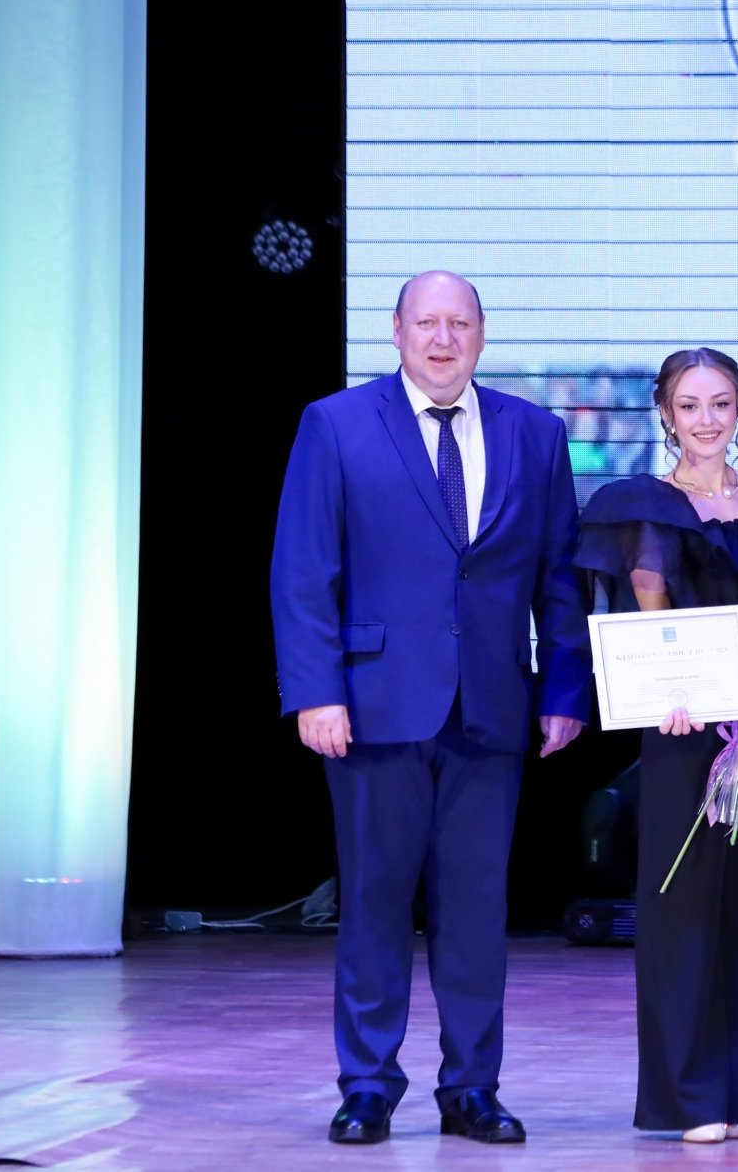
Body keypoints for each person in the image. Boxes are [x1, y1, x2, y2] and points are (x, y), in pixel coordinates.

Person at [271, 270, 592, 1146]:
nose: (443, 339)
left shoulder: (535, 432)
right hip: (373, 707)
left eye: (459, 323)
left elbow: (559, 577)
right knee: (375, 903)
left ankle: (472, 1088)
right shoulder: (336, 424)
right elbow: (303, 571)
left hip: (493, 707)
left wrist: (565, 688)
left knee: (478, 912)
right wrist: (316, 690)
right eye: (427, 322)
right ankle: (368, 1085)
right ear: (397, 330)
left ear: (482, 334)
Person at [575, 347, 738, 1144]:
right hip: (685, 725)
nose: (706, 420)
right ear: (666, 414)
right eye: (689, 405)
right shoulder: (647, 504)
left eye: (720, 403)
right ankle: (690, 1094)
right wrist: (671, 695)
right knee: (684, 905)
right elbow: (651, 620)